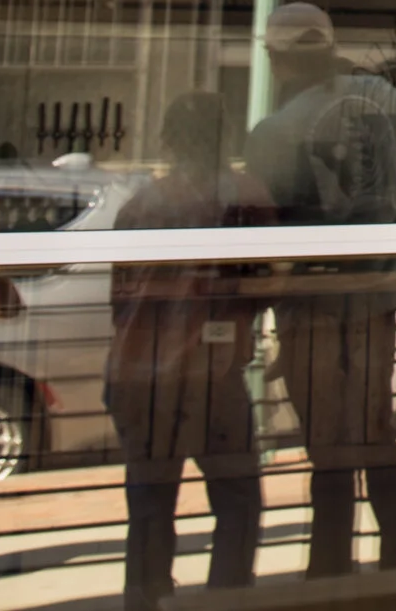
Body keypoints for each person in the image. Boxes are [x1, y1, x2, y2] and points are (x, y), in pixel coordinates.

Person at [245, 3, 396, 577]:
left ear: (277, 58)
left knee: (329, 443)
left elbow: (269, 224)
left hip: (315, 301)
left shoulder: (274, 132)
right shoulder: (376, 96)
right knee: (374, 431)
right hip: (381, 291)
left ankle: (329, 569)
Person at [105, 92, 274, 609]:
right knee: (237, 496)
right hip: (206, 372)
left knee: (153, 499)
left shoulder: (144, 205)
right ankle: (225, 597)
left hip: (143, 368)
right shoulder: (243, 195)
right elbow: (265, 283)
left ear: (169, 140)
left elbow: (121, 296)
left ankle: (148, 595)